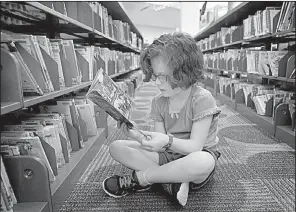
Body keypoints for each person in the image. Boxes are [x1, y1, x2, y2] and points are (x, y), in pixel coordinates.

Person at [102, 32, 221, 207]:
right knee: (116, 147)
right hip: (169, 155)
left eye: (163, 76)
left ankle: (143, 178)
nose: (157, 83)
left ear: (184, 71)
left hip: (195, 155)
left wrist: (166, 140)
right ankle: (174, 181)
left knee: (204, 161)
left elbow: (195, 147)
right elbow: (160, 145)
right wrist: (138, 136)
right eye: (155, 76)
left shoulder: (202, 99)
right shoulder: (158, 101)